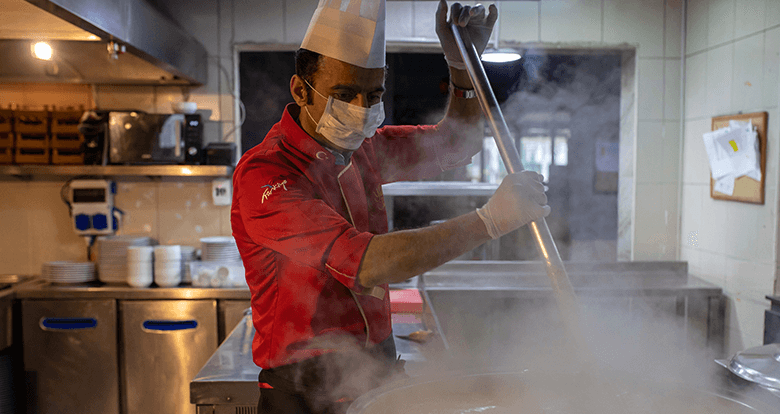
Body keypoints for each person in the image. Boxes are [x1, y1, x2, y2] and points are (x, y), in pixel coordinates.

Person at [231, 1, 550, 413]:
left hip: (376, 372)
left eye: (373, 94)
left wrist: (462, 68)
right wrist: (489, 221)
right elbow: (367, 262)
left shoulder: (366, 150)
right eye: (345, 94)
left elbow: (455, 143)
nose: (362, 110)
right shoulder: (267, 174)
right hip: (304, 393)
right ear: (299, 90)